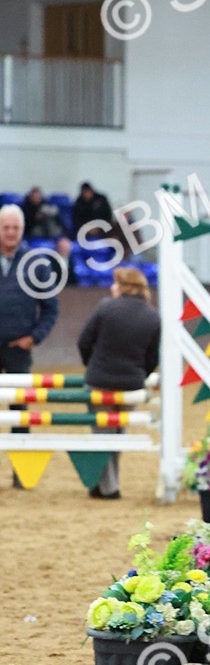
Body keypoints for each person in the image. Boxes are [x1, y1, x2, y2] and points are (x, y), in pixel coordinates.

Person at [77, 266, 160, 499]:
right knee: (117, 433)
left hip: (100, 380)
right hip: (131, 384)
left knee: (102, 434)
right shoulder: (153, 315)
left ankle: (109, 488)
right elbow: (153, 356)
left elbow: (84, 341)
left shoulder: (105, 308)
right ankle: (102, 483)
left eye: (116, 284)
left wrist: (91, 365)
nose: (112, 288)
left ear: (124, 286)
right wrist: (140, 375)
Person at [0, 203, 60, 487]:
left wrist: (33, 338)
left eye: (15, 228)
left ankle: (21, 474)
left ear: (22, 230)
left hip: (18, 350)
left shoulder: (37, 264)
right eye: (5, 227)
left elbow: (51, 309)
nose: (10, 232)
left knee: (20, 412)